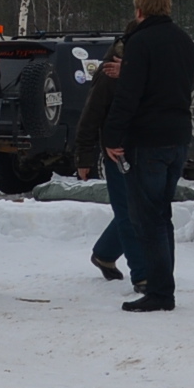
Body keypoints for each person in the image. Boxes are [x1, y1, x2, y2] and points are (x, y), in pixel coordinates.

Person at [100, 0, 194, 312]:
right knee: (162, 216)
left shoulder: (139, 43)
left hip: (147, 141)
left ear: (138, 9)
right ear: (167, 6)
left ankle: (159, 292)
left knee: (147, 219)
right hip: (178, 138)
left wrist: (112, 136)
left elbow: (129, 95)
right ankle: (162, 286)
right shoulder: (185, 41)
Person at [71, 38, 136, 286]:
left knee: (136, 210)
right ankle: (140, 273)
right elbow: (91, 115)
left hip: (143, 149)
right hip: (117, 152)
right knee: (129, 211)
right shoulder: (109, 72)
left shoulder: (143, 71)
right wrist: (84, 157)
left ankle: (105, 253)